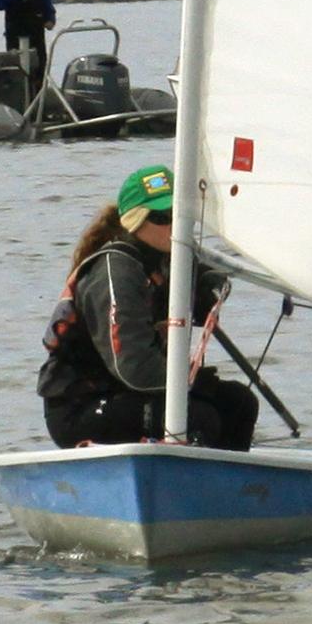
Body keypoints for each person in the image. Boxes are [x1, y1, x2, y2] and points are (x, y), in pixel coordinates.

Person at [36, 164, 258, 451]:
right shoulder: (116, 271)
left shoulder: (166, 260)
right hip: (81, 408)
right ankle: (182, 485)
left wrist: (208, 286)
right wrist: (192, 384)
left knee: (239, 403)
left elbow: (199, 298)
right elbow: (133, 368)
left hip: (128, 394)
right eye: (162, 217)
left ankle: (232, 489)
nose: (174, 225)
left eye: (179, 214)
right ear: (134, 221)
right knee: (200, 417)